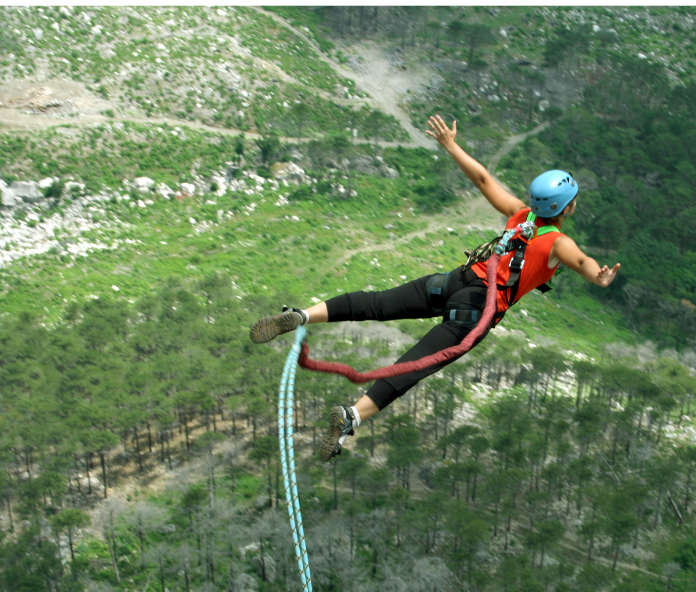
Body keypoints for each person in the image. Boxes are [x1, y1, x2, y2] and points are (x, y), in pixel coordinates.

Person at [250, 115, 620, 460]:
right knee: (411, 365)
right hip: (478, 309)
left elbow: (483, 180)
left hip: (456, 280)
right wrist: (598, 278)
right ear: (566, 209)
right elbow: (582, 262)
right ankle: (352, 416)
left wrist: (450, 145)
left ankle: (302, 315)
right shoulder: (557, 241)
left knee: (377, 303)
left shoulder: (520, 214)